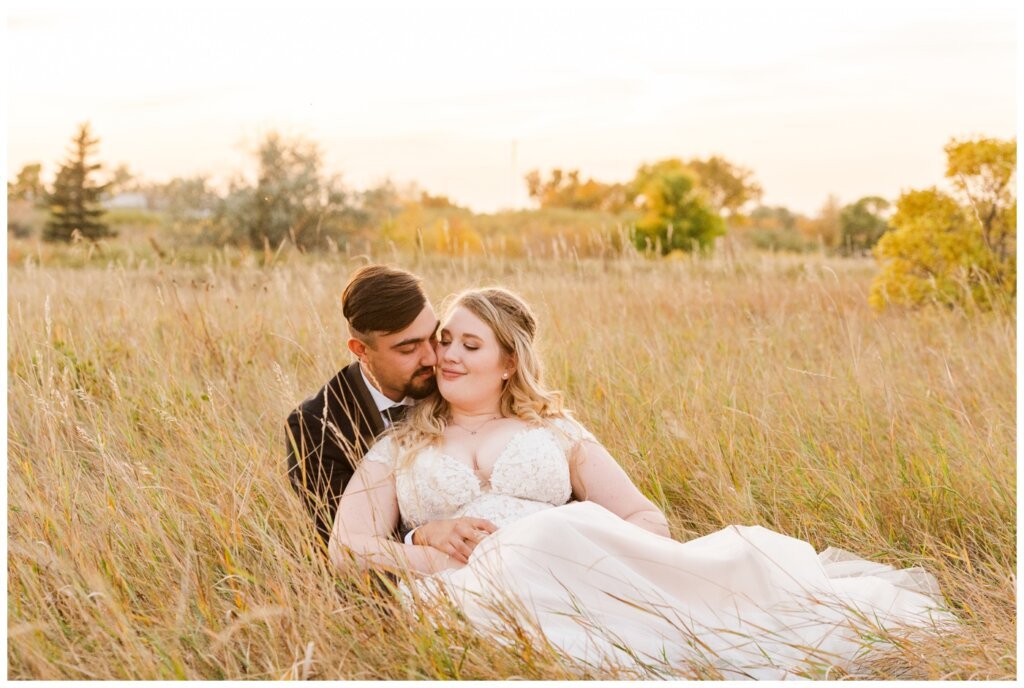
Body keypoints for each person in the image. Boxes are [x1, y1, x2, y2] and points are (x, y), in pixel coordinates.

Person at [328, 287, 955, 679]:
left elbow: (645, 519)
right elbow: (347, 547)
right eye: (445, 343)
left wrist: (580, 539)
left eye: (470, 344)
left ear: (509, 361)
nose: (448, 356)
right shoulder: (398, 444)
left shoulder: (556, 431)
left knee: (727, 621)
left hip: (575, 571)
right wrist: (433, 553)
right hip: (466, 591)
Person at [285, 265, 497, 553]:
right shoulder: (315, 424)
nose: (432, 357)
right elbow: (341, 538)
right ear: (361, 350)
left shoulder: (455, 381)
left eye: (434, 337)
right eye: (408, 349)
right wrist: (421, 535)